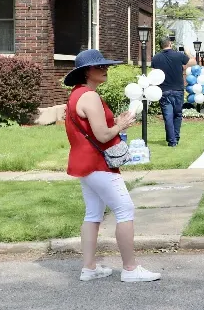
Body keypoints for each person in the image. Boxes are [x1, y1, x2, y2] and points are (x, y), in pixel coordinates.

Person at [64, 49, 161, 282]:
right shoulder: (90, 96)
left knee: (93, 214)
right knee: (125, 210)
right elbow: (103, 135)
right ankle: (130, 269)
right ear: (87, 72)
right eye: (100, 67)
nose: (105, 69)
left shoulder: (77, 95)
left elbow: (93, 130)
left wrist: (115, 123)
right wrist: (121, 125)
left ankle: (89, 268)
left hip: (84, 164)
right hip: (99, 165)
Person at [150, 37, 197, 147]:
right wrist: (188, 52)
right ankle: (175, 137)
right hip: (178, 90)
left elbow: (153, 74)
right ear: (170, 44)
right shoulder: (178, 55)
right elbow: (193, 62)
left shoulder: (156, 58)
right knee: (178, 115)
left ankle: (172, 141)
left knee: (168, 116)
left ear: (161, 45)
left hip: (164, 91)